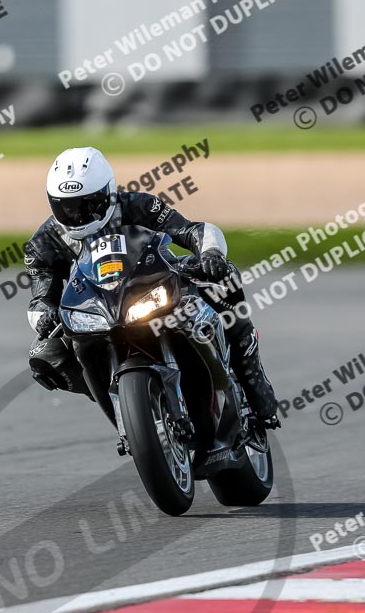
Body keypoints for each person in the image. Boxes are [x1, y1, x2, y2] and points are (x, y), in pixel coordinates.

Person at [24, 147, 280, 429]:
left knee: (224, 279)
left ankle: (252, 376)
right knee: (45, 353)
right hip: (96, 309)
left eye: (87, 204)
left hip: (153, 285)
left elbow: (192, 231)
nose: (76, 214)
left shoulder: (137, 205)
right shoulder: (44, 241)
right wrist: (45, 313)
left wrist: (211, 255)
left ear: (108, 194)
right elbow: (40, 296)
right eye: (66, 206)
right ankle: (124, 409)